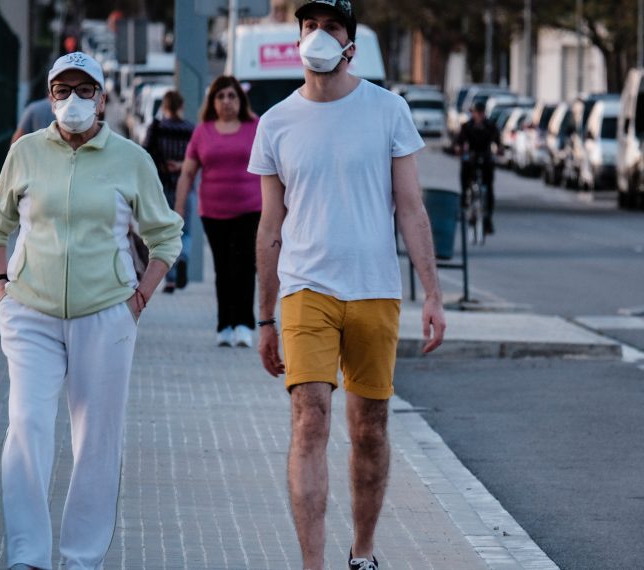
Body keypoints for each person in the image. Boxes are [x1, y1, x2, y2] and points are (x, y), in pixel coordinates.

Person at [248, 2, 446, 569]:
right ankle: (313, 564)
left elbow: (411, 209)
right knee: (310, 418)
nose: (318, 35)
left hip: (375, 290)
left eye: (331, 27)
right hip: (306, 289)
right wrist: (265, 317)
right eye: (309, 26)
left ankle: (363, 552)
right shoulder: (276, 122)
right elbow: (269, 226)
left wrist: (432, 293)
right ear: (297, 39)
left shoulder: (388, 110)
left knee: (371, 430)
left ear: (350, 45)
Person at [0, 51, 183, 570]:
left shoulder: (131, 159)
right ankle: (28, 557)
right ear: (49, 98)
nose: (73, 100)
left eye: (84, 89)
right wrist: (3, 284)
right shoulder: (26, 153)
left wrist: (139, 298)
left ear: (102, 97)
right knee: (26, 423)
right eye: (63, 90)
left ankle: (80, 558)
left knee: (96, 439)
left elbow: (166, 235)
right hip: (29, 311)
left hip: (106, 314)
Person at [175, 75, 262, 347]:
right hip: (213, 211)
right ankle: (225, 324)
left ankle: (245, 325)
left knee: (245, 265)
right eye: (221, 96)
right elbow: (188, 172)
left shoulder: (255, 126)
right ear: (213, 102)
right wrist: (178, 211)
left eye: (232, 96)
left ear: (240, 100)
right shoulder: (203, 131)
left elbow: (274, 167)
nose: (227, 102)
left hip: (250, 208)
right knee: (223, 268)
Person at [144, 90, 196, 292]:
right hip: (186, 186)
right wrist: (182, 165)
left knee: (166, 233)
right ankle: (183, 257)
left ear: (164, 107)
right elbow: (197, 158)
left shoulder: (157, 128)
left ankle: (171, 279)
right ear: (181, 106)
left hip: (162, 188)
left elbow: (145, 156)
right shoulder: (190, 129)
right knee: (187, 231)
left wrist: (164, 166)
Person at [455, 99, 500, 234]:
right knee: (465, 177)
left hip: (485, 157)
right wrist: (458, 148)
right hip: (471, 158)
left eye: (481, 112)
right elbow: (459, 142)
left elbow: (497, 141)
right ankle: (464, 203)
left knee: (489, 186)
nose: (479, 115)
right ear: (472, 113)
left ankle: (488, 218)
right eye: (476, 112)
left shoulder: (490, 126)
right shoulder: (466, 126)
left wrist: (499, 149)